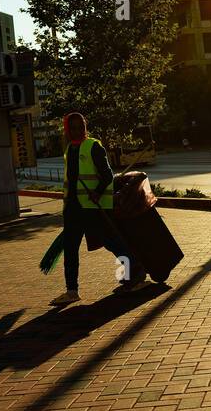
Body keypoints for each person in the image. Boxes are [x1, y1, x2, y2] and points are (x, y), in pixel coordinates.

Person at [50, 113, 145, 306]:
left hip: (93, 207)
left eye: (81, 127)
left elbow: (107, 174)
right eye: (73, 128)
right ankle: (71, 290)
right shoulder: (70, 149)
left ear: (85, 127)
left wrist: (98, 191)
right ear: (68, 131)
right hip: (74, 209)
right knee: (70, 249)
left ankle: (135, 276)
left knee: (112, 243)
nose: (78, 131)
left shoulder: (93, 146)